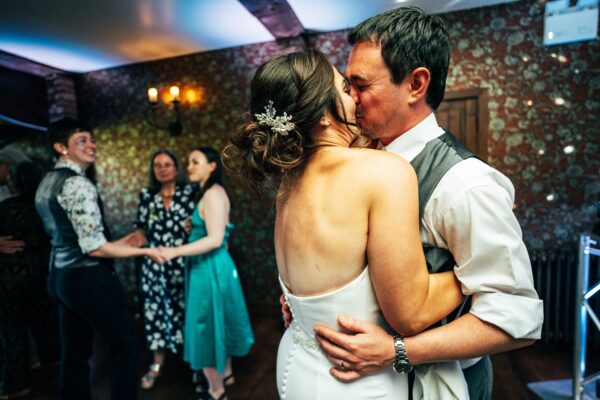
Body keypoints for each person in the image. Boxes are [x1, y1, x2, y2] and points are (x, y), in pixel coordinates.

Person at [311, 7, 543, 400]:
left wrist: (396, 352)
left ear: (416, 84)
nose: (349, 100)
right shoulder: (357, 158)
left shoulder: (466, 184)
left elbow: (516, 317)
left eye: (359, 85)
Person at [223, 49, 471, 399]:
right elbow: (410, 315)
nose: (355, 97)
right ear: (323, 116)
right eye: (344, 88)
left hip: (295, 365)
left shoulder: (287, 185)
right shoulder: (382, 171)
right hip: (354, 380)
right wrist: (473, 271)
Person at [34, 118, 166, 400]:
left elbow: (73, 240)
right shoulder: (79, 184)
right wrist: (144, 251)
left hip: (60, 278)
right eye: (81, 140)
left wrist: (120, 243)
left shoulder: (47, 181)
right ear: (61, 147)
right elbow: (93, 249)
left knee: (75, 349)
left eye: (91, 139)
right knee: (126, 341)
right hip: (88, 279)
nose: (91, 145)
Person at [159, 147, 254, 400]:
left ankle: (216, 390)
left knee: (205, 327)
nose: (189, 166)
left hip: (208, 267)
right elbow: (214, 228)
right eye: (189, 161)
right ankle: (227, 374)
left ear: (212, 166)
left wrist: (174, 251)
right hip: (213, 266)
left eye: (195, 161)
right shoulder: (210, 193)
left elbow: (215, 239)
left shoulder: (212, 193)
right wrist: (194, 226)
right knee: (218, 320)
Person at [127, 149, 197, 390]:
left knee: (188, 312)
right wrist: (138, 237)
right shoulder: (147, 195)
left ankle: (196, 365)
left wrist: (196, 226)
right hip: (155, 266)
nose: (162, 168)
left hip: (183, 263)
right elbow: (142, 228)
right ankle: (157, 363)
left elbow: (205, 223)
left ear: (176, 169)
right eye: (157, 165)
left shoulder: (191, 192)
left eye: (167, 164)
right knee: (155, 314)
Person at [0, 157, 50, 399]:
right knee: (43, 319)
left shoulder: (5, 208)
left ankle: (19, 384)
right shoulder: (44, 206)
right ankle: (50, 359)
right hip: (40, 272)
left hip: (10, 277)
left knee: (12, 330)